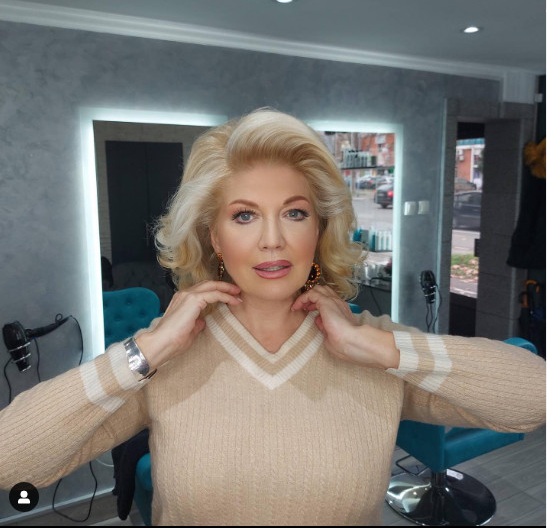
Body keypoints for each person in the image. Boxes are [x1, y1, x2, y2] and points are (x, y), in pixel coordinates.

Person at [0, 109, 545, 526]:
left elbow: (534, 397)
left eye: (295, 213)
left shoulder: (374, 346)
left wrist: (384, 350)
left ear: (319, 229)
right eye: (244, 216)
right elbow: (11, 459)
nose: (272, 239)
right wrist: (144, 354)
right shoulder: (162, 357)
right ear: (214, 237)